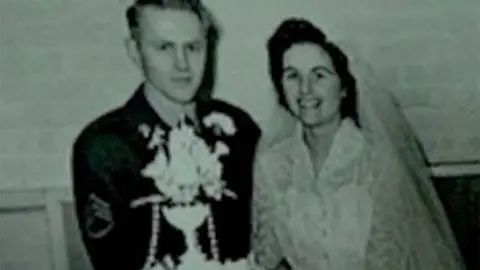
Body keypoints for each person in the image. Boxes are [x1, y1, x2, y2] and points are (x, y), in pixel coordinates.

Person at [251, 17, 465, 270]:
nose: (305, 89)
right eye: (292, 76)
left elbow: (389, 260)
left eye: (319, 75)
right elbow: (266, 260)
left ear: (343, 88)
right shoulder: (270, 166)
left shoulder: (379, 162)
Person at [71, 1, 260, 269]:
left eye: (193, 47)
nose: (182, 64)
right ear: (135, 51)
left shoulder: (238, 130)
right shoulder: (104, 146)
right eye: (164, 47)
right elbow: (113, 261)